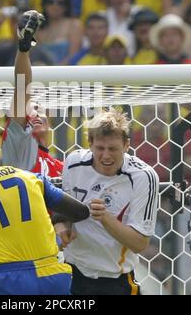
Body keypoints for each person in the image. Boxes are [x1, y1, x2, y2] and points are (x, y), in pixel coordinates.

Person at [0, 143, 96, 295]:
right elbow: (80, 212)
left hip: (5, 281)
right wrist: (53, 218)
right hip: (53, 276)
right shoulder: (29, 176)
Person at [55, 109, 159, 295]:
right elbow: (63, 214)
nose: (105, 155)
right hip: (73, 273)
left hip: (115, 280)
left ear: (126, 145)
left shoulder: (143, 176)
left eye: (113, 149)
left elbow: (140, 244)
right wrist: (62, 228)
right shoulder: (73, 163)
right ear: (90, 144)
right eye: (100, 148)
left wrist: (105, 218)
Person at [1, 10, 64, 178]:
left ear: (50, 119)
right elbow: (23, 88)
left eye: (38, 109)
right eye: (28, 111)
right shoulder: (18, 146)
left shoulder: (61, 167)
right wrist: (24, 46)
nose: (33, 114)